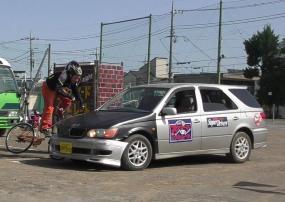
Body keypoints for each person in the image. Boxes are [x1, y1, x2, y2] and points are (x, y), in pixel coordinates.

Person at [40, 60, 84, 134]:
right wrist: (69, 95)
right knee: (50, 107)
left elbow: (75, 91)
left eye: (78, 77)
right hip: (49, 87)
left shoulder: (74, 80)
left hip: (58, 89)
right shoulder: (64, 75)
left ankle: (59, 111)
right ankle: (45, 127)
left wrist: (81, 101)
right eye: (76, 77)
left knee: (68, 100)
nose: (77, 79)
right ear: (70, 74)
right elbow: (58, 88)